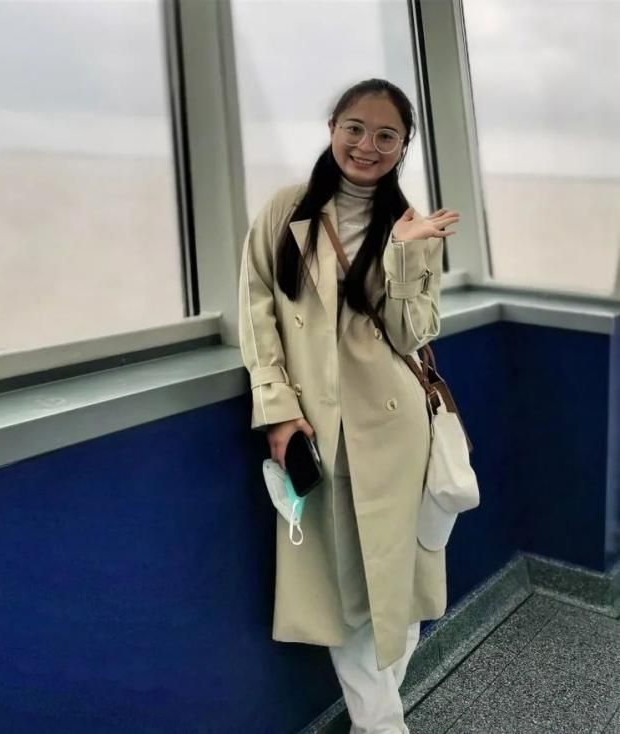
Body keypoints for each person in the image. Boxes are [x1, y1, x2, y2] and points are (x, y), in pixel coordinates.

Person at [238, 78, 460, 734]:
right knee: (349, 591)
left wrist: (407, 254)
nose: (367, 145)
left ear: (403, 145)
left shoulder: (411, 222)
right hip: (321, 429)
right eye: (354, 128)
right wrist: (277, 410)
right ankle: (382, 724)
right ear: (333, 127)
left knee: (403, 586)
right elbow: (256, 312)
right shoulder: (285, 211)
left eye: (386, 135)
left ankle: (378, 723)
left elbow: (412, 335)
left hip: (396, 429)